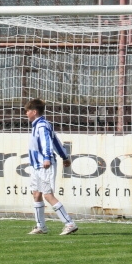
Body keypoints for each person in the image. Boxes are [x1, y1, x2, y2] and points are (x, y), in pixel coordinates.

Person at [25, 98, 77, 235]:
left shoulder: (42, 126)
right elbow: (57, 142)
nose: (26, 113)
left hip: (44, 165)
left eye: (28, 111)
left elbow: (47, 142)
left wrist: (47, 158)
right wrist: (64, 156)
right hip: (36, 165)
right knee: (36, 194)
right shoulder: (39, 125)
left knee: (47, 195)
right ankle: (41, 226)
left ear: (34, 112)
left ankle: (69, 223)